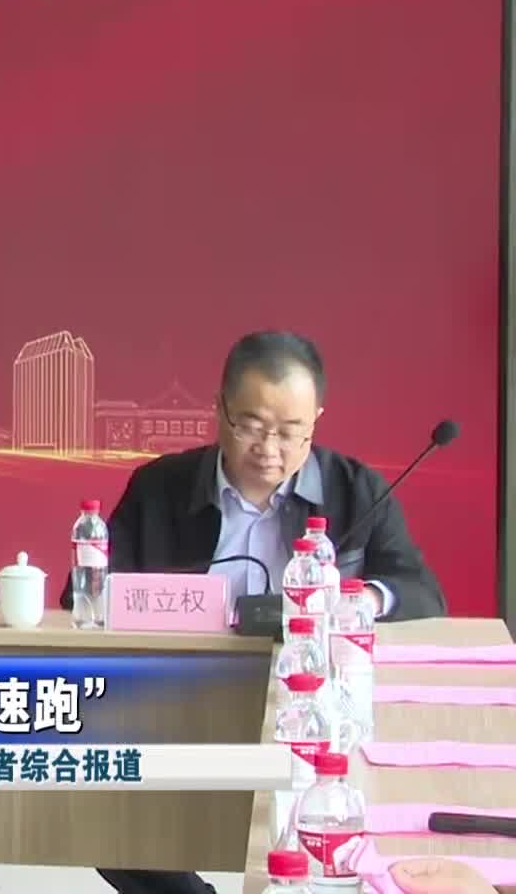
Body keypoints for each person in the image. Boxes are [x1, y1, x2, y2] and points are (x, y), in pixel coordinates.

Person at [90, 331, 446, 894]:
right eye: (251, 426)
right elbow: (89, 596)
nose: (269, 449)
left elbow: (421, 591)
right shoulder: (160, 487)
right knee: (100, 801)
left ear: (316, 422)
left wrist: (361, 599)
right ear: (219, 410)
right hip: (185, 701)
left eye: (290, 431)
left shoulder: (358, 490)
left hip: (315, 716)